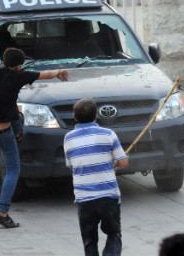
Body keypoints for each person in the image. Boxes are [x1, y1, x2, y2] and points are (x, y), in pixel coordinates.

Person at [0, 47, 69, 228]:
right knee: (14, 170)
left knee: (16, 111)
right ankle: (1, 212)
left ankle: (17, 131)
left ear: (2, 62)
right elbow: (46, 74)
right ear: (20, 66)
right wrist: (60, 72)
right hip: (1, 132)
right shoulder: (19, 76)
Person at [63, 98, 128, 256]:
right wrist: (115, 163)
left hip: (84, 198)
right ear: (95, 116)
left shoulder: (68, 138)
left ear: (75, 117)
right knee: (114, 234)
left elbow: (72, 165)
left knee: (89, 240)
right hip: (108, 196)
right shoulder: (108, 134)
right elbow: (123, 162)